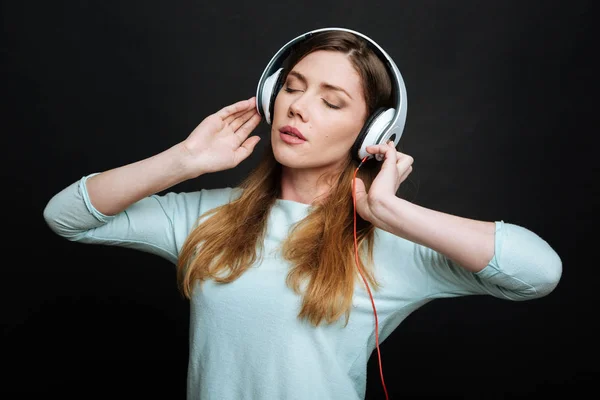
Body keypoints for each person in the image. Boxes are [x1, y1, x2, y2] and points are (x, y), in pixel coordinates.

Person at [43, 29, 562, 400]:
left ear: (372, 134)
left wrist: (391, 212)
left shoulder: (393, 242)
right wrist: (184, 161)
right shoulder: (206, 216)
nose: (298, 107)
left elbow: (538, 273)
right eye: (293, 86)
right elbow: (65, 216)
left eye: (332, 102)